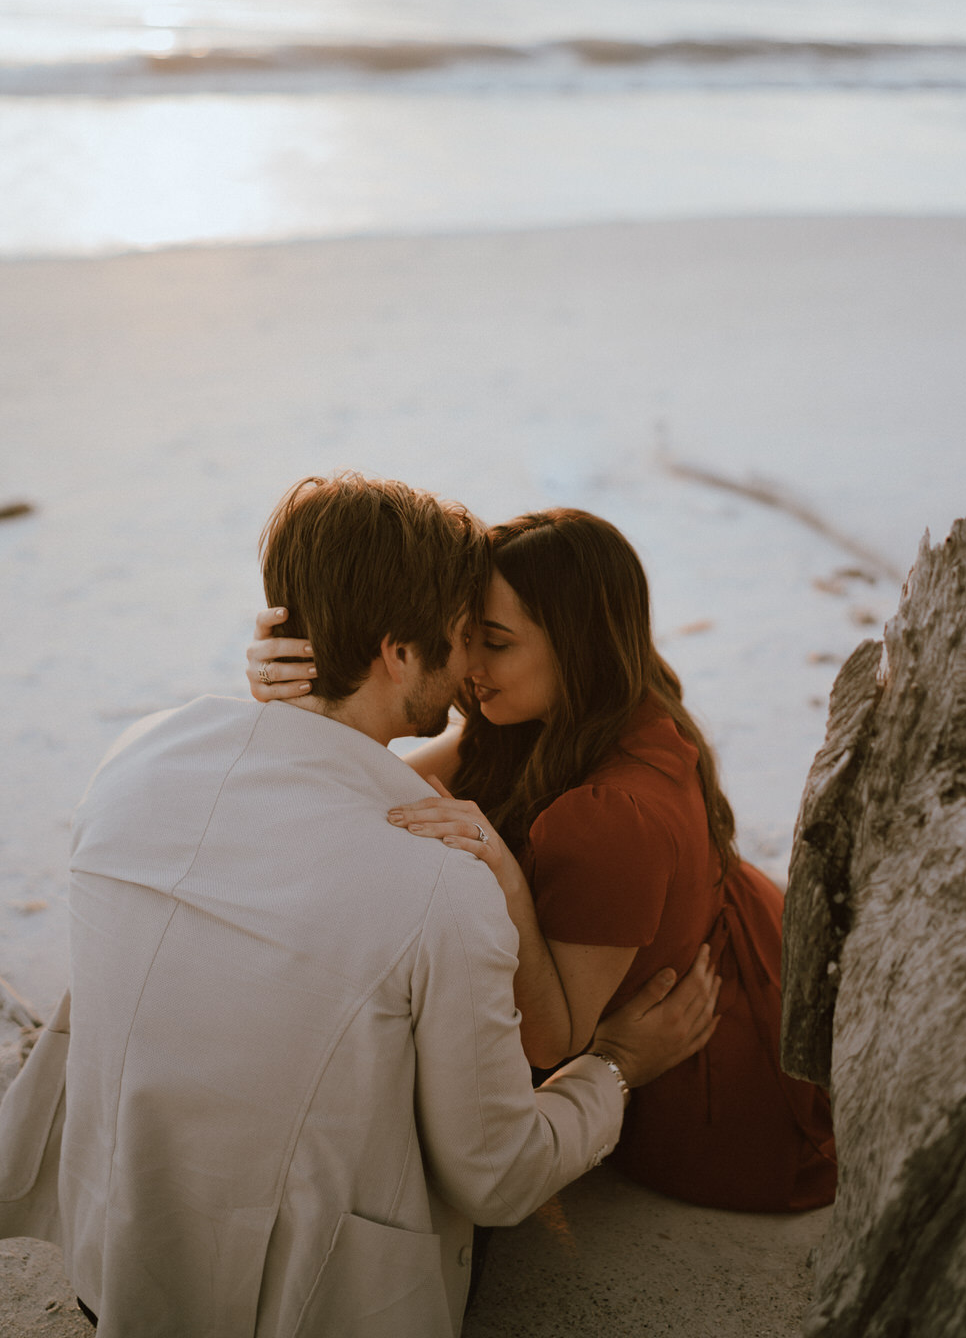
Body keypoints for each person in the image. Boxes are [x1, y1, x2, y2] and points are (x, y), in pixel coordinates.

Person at [0, 477, 720, 1338]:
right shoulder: (439, 889)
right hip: (291, 1306)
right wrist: (615, 1068)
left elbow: (311, 790)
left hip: (106, 1255)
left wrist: (292, 703)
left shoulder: (134, 756)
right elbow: (498, 1176)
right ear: (398, 653)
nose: (468, 676)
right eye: (461, 640)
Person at [250, 505, 836, 1214]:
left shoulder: (607, 815)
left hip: (696, 1077)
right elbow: (382, 794)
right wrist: (302, 701)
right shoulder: (557, 711)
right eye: (466, 636)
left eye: (493, 642)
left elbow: (554, 1039)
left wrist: (506, 883)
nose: (467, 663)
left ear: (576, 644)